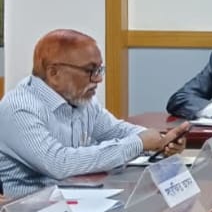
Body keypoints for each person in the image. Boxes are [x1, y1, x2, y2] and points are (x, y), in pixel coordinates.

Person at [0, 29, 188, 198]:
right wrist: (138, 143)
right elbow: (59, 164)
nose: (98, 79)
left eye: (99, 70)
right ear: (54, 73)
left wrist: (160, 141)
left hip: (77, 200)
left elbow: (117, 130)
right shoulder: (20, 108)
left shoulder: (80, 99)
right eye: (90, 70)